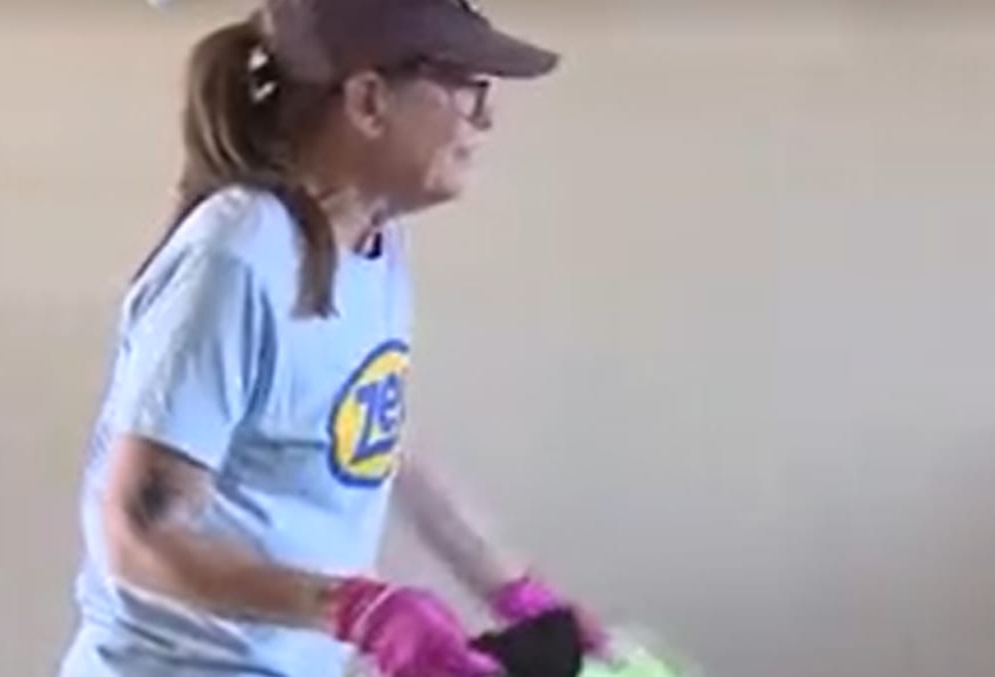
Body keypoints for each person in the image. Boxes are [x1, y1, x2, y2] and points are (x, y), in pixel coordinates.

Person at [58, 0, 606, 675]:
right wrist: (359, 611)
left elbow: (377, 436)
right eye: (465, 85)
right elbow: (137, 536)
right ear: (369, 101)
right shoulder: (236, 256)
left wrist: (518, 593)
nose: (483, 117)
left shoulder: (372, 245)